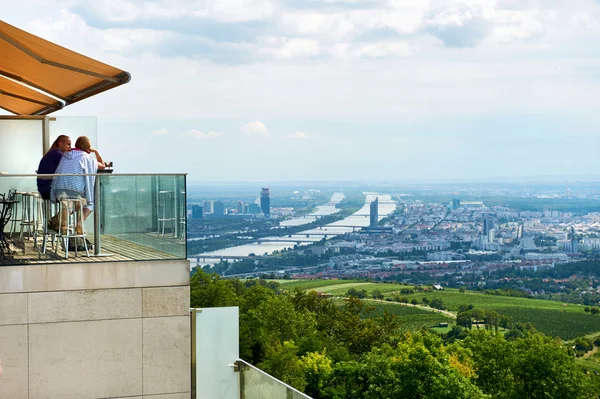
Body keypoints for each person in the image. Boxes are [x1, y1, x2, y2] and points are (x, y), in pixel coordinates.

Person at [50, 136, 106, 234]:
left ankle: (61, 222)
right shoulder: (87, 158)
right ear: (88, 148)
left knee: (70, 203)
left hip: (59, 190)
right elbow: (102, 166)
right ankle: (79, 225)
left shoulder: (65, 156)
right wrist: (96, 152)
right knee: (90, 203)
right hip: (75, 191)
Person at [36, 135, 71, 199]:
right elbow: (71, 165)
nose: (70, 147)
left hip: (43, 189)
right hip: (49, 189)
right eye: (68, 144)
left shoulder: (52, 153)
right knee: (77, 194)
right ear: (60, 144)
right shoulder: (58, 154)